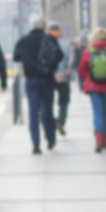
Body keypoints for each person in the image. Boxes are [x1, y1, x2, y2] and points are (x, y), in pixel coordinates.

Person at [14, 17, 62, 154]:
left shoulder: (23, 40)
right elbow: (60, 56)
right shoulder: (50, 39)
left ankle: (36, 145)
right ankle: (51, 139)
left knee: (33, 112)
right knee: (48, 109)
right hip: (47, 79)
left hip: (31, 79)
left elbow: (16, 57)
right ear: (43, 26)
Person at [48, 23, 74, 136]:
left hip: (49, 77)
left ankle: (49, 125)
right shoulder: (66, 44)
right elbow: (71, 60)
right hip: (63, 78)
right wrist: (66, 74)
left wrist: (52, 73)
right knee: (64, 101)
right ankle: (60, 121)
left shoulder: (46, 43)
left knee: (47, 102)